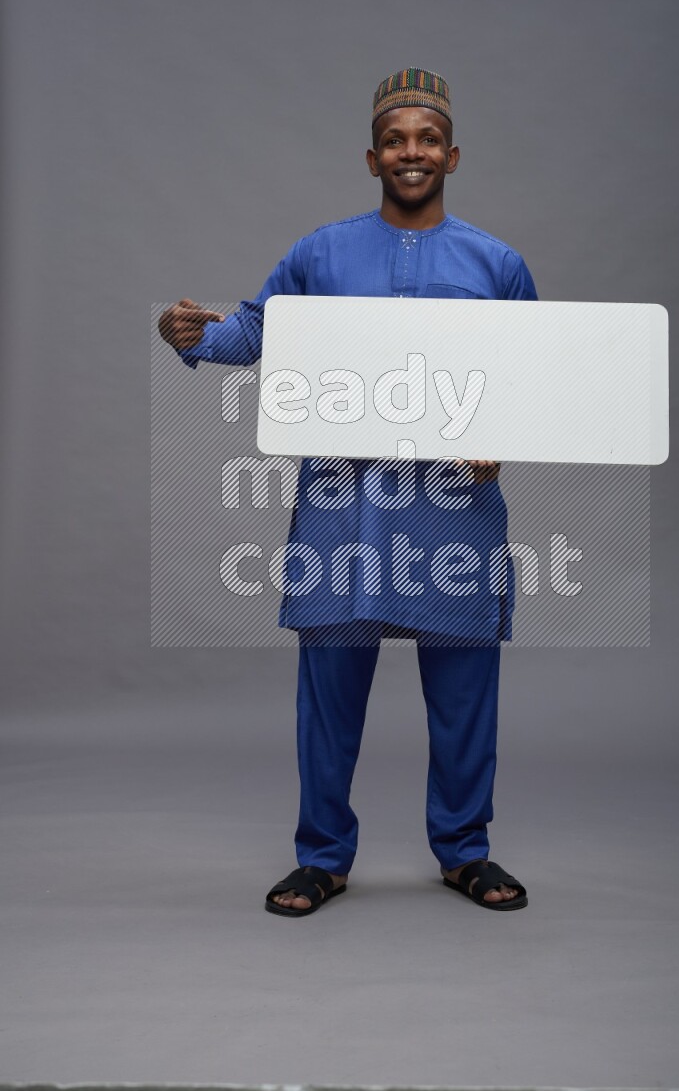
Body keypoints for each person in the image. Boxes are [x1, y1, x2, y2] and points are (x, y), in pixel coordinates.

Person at [158, 68, 537, 915]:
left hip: (453, 513)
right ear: (372, 158)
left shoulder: (497, 263)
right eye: (395, 140)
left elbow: (532, 371)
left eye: (428, 139)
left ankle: (465, 850)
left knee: (465, 694)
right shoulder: (321, 254)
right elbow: (259, 329)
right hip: (344, 506)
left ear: (453, 155)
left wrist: (501, 438)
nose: (412, 152)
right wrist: (192, 335)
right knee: (328, 694)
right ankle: (322, 855)